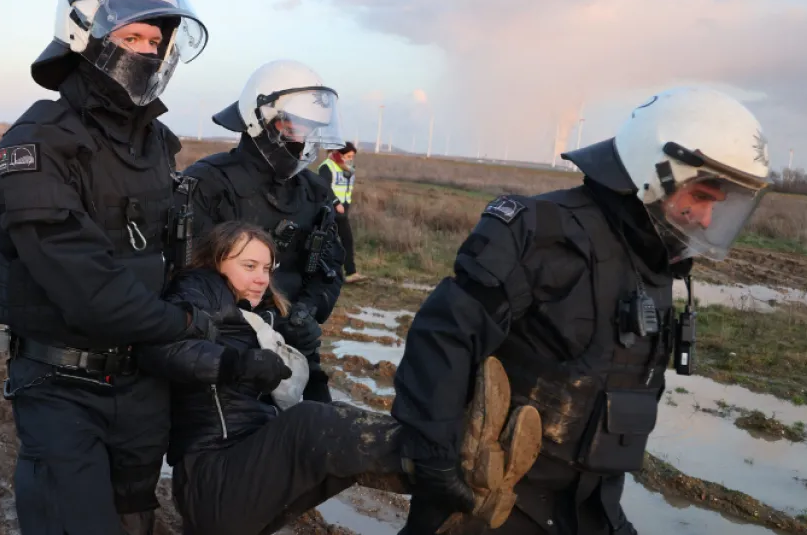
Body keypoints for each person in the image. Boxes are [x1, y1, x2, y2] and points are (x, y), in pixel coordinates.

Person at [390, 87, 772, 534]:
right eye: (702, 197)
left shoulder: (656, 264)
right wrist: (434, 456)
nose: (706, 220)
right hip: (493, 502)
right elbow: (445, 335)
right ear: (659, 171)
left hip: (593, 507)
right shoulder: (543, 230)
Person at [0, 0, 223, 533]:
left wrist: (206, 297)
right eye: (131, 36)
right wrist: (186, 323)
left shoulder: (158, 145)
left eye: (156, 40)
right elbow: (86, 285)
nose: (147, 51)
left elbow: (183, 256)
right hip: (61, 386)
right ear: (83, 37)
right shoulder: (38, 143)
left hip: (144, 387)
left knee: (136, 519)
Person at [137, 220, 544, 535]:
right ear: (214, 261)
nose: (262, 277)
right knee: (309, 425)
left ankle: (469, 485)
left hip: (243, 480)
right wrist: (236, 364)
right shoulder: (199, 288)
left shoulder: (257, 317)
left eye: (267, 267)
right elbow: (164, 348)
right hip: (214, 480)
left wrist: (300, 354)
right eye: (248, 266)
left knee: (336, 453)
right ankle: (460, 449)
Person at [180, 59, 349, 405]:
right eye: (297, 127)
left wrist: (304, 313)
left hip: (295, 352)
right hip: (226, 358)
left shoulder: (315, 192)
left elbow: (330, 270)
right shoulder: (209, 182)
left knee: (316, 444)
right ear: (263, 122)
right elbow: (187, 276)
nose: (304, 140)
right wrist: (258, 320)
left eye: (313, 129)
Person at [318, 141, 368, 283]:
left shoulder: (348, 168)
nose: (350, 159)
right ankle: (320, 272)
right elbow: (324, 187)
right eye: (348, 156)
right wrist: (335, 202)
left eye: (352, 156)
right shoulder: (327, 167)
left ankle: (351, 272)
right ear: (340, 154)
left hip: (343, 211)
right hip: (330, 210)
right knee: (325, 242)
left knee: (347, 240)